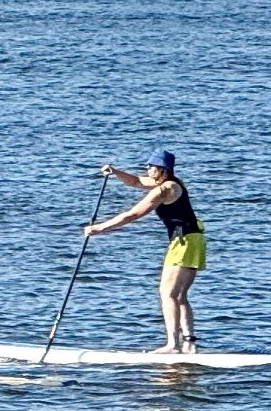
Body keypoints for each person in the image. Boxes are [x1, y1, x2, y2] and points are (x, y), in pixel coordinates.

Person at [87, 151, 204, 353]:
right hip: (195, 239)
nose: (147, 169)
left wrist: (100, 228)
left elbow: (132, 215)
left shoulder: (164, 190)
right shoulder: (175, 182)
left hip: (184, 242)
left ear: (163, 170)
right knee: (180, 295)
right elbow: (136, 182)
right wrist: (115, 172)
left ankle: (172, 345)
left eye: (151, 166)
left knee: (167, 294)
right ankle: (189, 344)